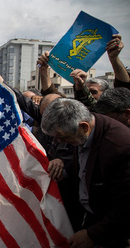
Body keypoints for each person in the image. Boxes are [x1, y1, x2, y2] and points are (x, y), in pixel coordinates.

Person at [41, 98, 130, 247]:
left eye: (64, 137)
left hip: (112, 231)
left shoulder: (120, 148)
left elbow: (126, 206)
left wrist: (92, 234)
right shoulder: (84, 130)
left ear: (84, 127)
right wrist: (65, 169)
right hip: (90, 218)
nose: (61, 142)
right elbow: (87, 164)